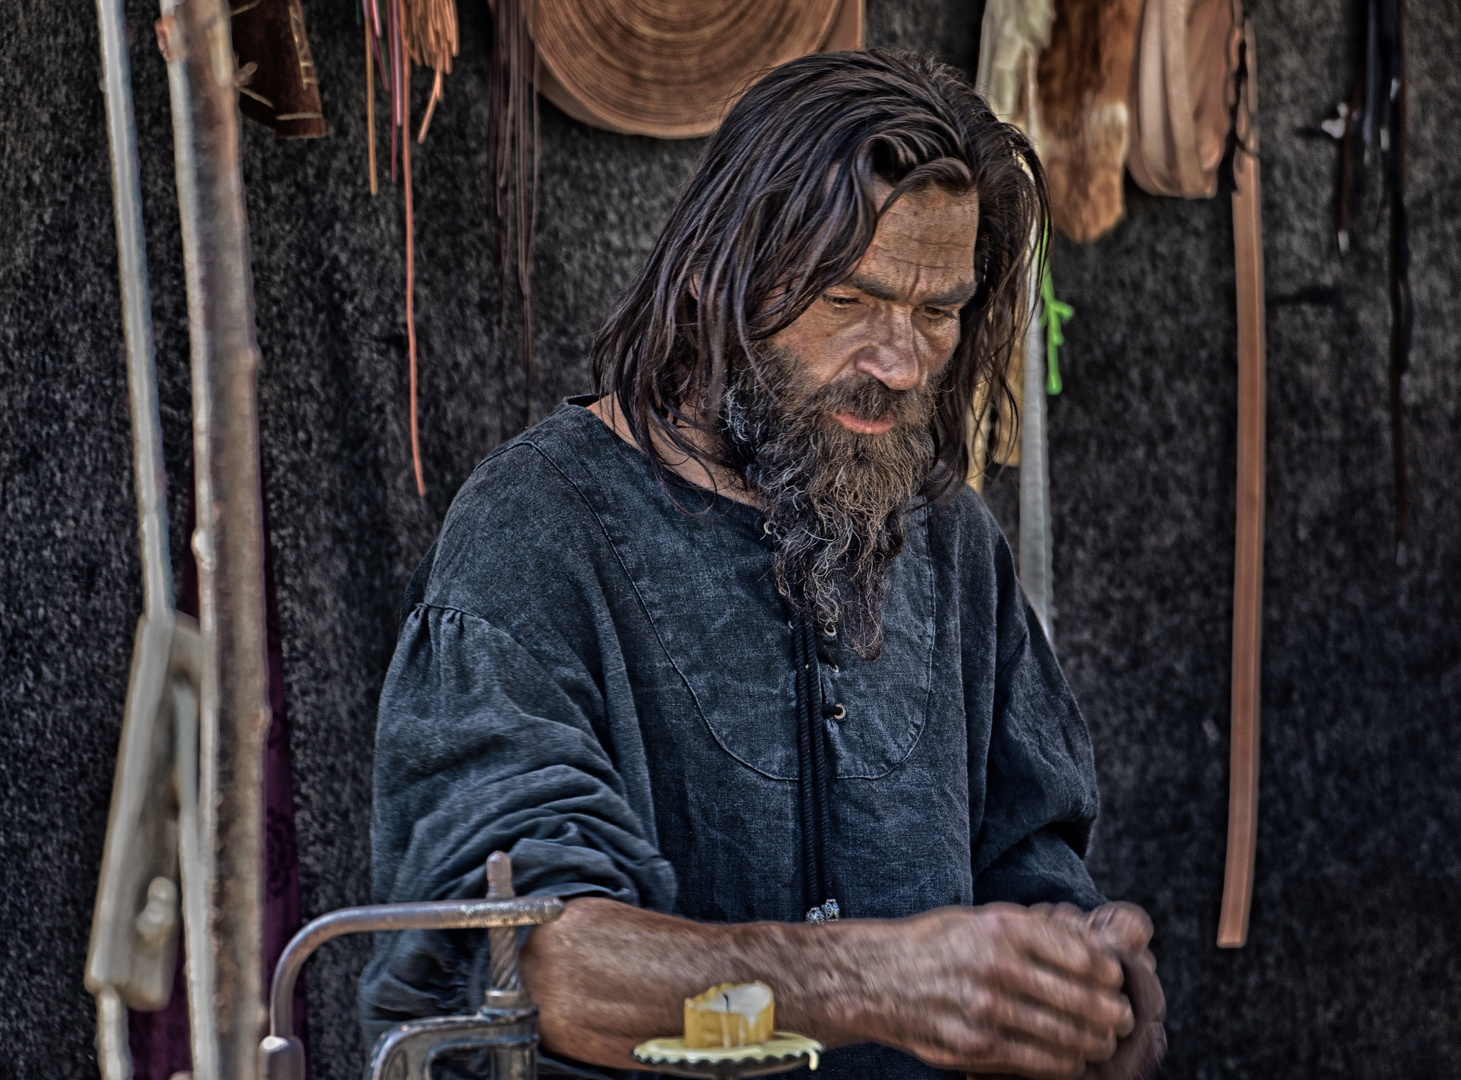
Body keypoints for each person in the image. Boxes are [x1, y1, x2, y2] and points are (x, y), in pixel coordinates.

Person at [361, 49, 1166, 1080]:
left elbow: (1031, 869)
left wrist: (1080, 980)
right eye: (849, 300)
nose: (902, 362)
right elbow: (536, 966)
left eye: (936, 312)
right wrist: (865, 981)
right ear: (716, 278)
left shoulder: (951, 540)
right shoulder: (536, 530)